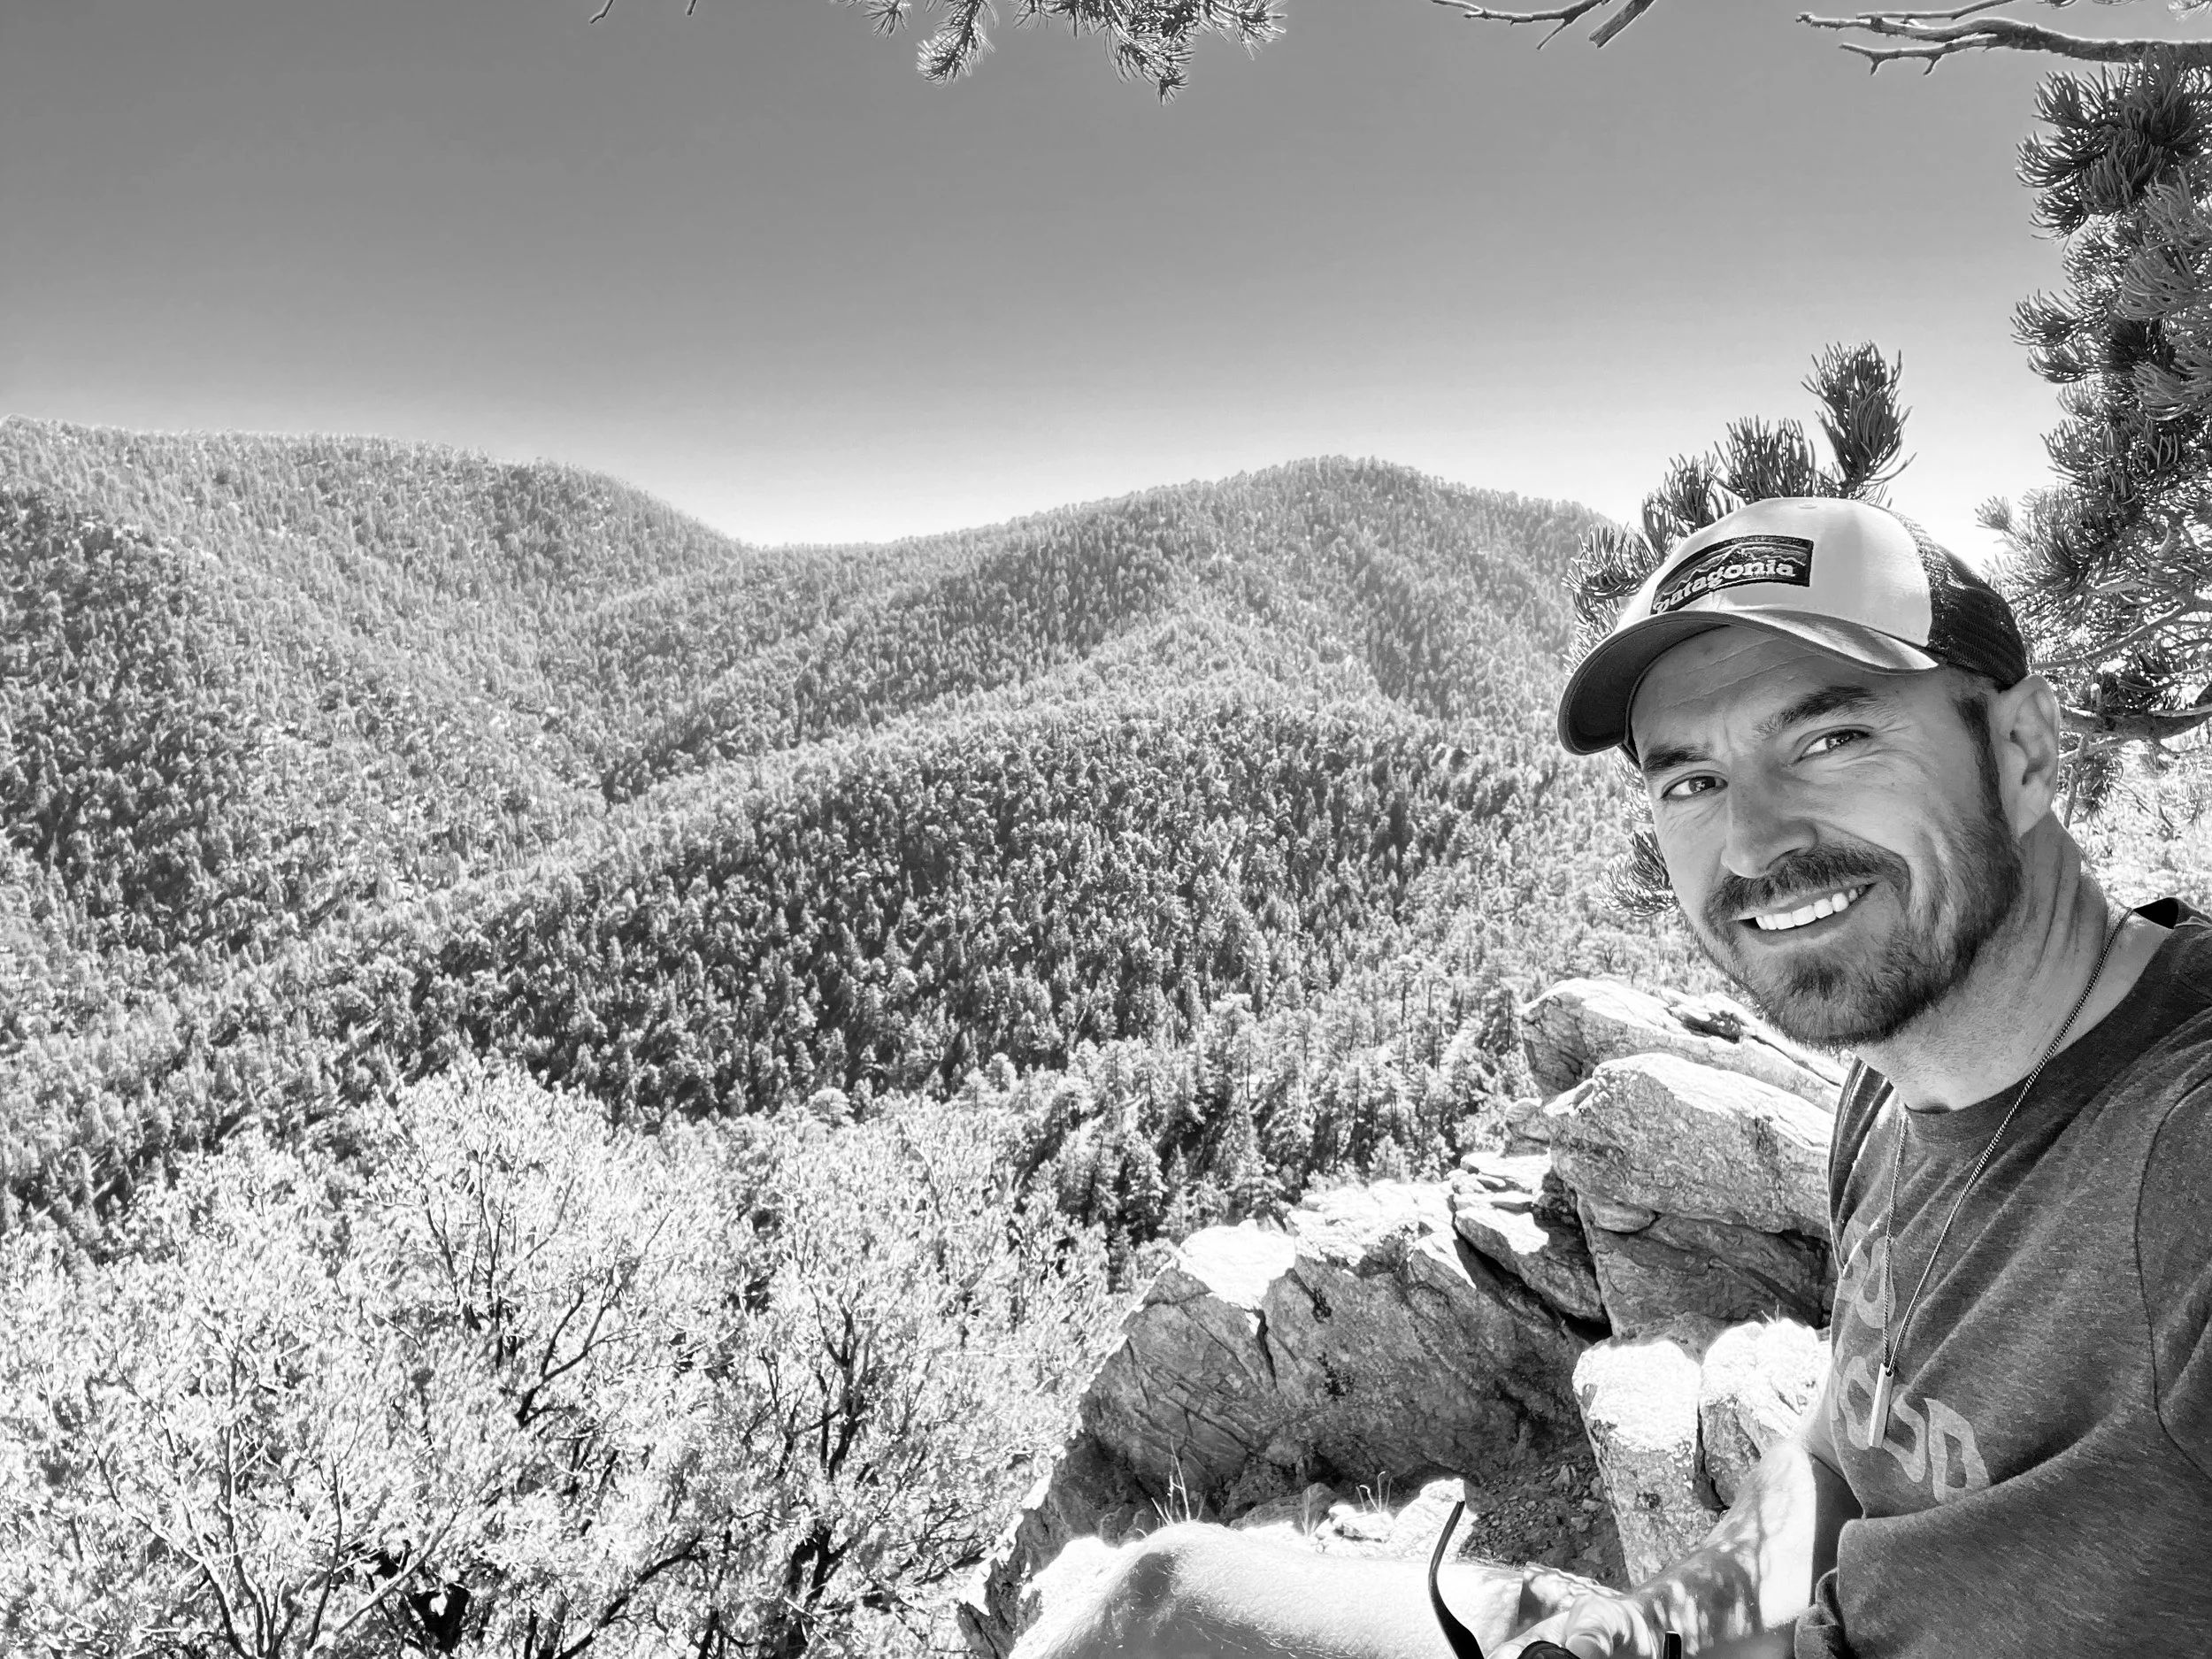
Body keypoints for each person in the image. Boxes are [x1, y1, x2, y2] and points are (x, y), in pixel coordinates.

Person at [1013, 496, 2212, 1659]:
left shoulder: (2180, 1159)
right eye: (1691, 780)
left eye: (1830, 739)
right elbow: (1841, 1457)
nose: (1753, 841)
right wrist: (1650, 1630)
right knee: (1159, 1601)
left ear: (2024, 747)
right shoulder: (1899, 1081)